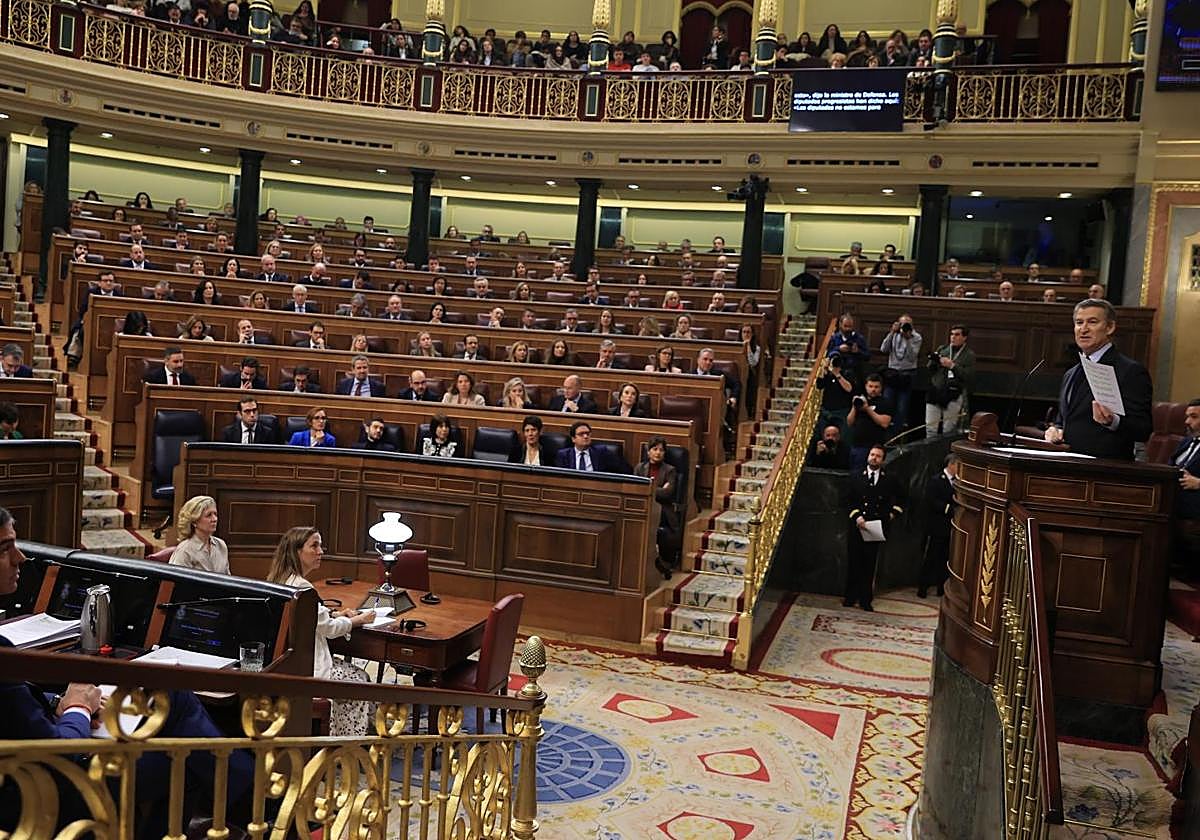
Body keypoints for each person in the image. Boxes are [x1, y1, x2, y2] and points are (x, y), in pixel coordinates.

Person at [0, 506, 254, 837]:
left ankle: (258, 806)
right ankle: (261, 808)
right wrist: (77, 709)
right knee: (181, 734)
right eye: (6, 548)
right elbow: (56, 755)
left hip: (22, 778)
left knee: (176, 721)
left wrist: (59, 700)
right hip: (44, 791)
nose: (20, 557)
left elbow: (13, 706)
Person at [266, 527, 374, 736]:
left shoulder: (281, 579)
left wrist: (336, 614)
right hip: (309, 668)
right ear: (297, 552)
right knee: (360, 682)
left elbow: (315, 618)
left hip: (288, 664)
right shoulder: (304, 588)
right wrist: (358, 620)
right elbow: (330, 630)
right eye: (314, 546)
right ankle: (343, 745)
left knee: (358, 676)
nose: (321, 551)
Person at [1043, 299, 1152, 459]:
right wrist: (1055, 429)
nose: (1084, 329)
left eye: (1092, 322)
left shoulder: (1130, 371)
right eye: (1079, 322)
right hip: (1067, 463)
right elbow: (1065, 419)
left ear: (1110, 327)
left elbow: (1143, 429)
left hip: (1104, 470)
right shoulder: (1071, 373)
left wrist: (1112, 421)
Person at [844, 444, 903, 611]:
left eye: (877, 456)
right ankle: (850, 596)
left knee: (869, 565)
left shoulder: (889, 479)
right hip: (858, 526)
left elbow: (902, 498)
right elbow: (847, 500)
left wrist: (893, 514)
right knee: (854, 562)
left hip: (876, 527)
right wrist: (857, 516)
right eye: (871, 454)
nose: (873, 458)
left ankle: (865, 599)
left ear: (882, 460)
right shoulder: (856, 476)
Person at [636, 436, 681, 577]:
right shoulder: (639, 468)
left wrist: (647, 488)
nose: (658, 453)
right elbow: (635, 489)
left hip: (663, 511)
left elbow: (667, 494)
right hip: (641, 507)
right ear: (648, 452)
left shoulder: (670, 470)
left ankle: (659, 563)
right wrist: (658, 488)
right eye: (655, 449)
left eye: (661, 450)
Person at [918, 453, 958, 598]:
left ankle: (941, 586)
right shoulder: (936, 480)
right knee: (931, 557)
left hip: (949, 527)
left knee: (944, 558)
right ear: (951, 464)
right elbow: (931, 500)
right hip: (936, 526)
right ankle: (923, 586)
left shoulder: (957, 482)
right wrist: (948, 508)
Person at [925, 325, 976, 437]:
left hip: (953, 393)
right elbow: (930, 369)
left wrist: (952, 366)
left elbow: (968, 376)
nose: (953, 337)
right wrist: (935, 360)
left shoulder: (969, 355)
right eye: (952, 334)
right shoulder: (943, 349)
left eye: (957, 334)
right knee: (930, 428)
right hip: (936, 390)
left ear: (964, 337)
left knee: (948, 429)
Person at [880, 314, 922, 430]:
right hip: (892, 373)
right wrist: (892, 333)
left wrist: (908, 339)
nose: (905, 326)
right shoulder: (894, 334)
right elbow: (883, 349)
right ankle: (885, 429)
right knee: (887, 402)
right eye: (903, 323)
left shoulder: (916, 337)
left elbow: (912, 357)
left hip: (907, 374)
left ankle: (897, 432)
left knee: (902, 407)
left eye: (908, 324)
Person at [168, 495, 229, 574]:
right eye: (209, 515)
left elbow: (228, 578)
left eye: (215, 514)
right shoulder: (185, 550)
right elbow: (174, 580)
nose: (215, 519)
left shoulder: (221, 545)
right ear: (194, 521)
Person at [847, 374, 894, 471]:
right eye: (870, 386)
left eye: (876, 387)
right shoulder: (860, 401)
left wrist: (867, 409)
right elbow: (849, 422)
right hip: (856, 445)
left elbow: (884, 423)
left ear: (881, 388)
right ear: (866, 387)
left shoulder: (885, 403)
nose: (873, 389)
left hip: (873, 448)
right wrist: (854, 406)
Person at [1173, 399, 1200, 564]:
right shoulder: (1186, 442)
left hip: (1193, 503)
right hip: (1173, 497)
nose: (1187, 422)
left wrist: (1198, 482)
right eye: (1187, 416)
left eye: (1194, 417)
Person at [554, 421, 629, 473]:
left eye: (587, 433)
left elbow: (624, 469)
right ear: (573, 439)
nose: (586, 436)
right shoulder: (564, 455)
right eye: (581, 434)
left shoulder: (602, 452)